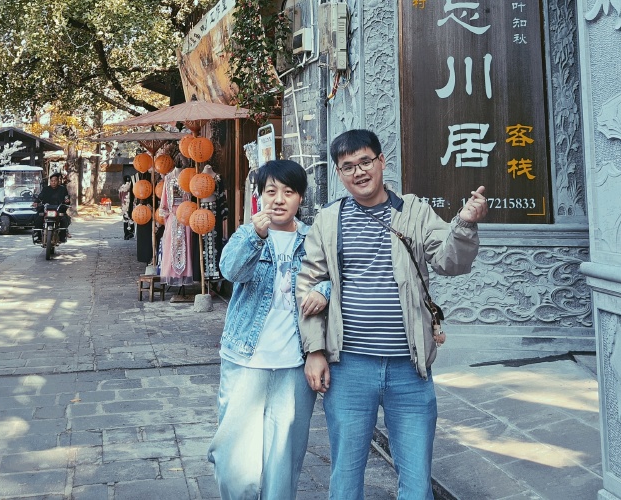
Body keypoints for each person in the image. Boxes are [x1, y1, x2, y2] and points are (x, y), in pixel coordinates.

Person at [296, 129, 488, 500]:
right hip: (349, 366)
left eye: (365, 161)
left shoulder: (413, 211)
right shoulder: (329, 219)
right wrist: (314, 350)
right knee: (345, 477)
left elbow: (450, 261)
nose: (359, 172)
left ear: (381, 162)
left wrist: (464, 224)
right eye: (348, 166)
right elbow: (309, 283)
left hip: (409, 369)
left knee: (416, 482)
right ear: (339, 173)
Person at [208, 159, 331, 500]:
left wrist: (324, 290)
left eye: (288, 192)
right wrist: (255, 236)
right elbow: (230, 271)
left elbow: (335, 278)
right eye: (271, 191)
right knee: (235, 467)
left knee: (283, 466)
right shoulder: (247, 234)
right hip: (245, 361)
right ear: (260, 195)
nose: (278, 199)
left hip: (294, 366)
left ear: (300, 198)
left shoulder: (313, 239)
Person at [35, 172, 71, 242]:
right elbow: (40, 197)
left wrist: (67, 201)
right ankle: (38, 235)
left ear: (58, 181)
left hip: (58, 209)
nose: (53, 182)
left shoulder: (63, 189)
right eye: (52, 181)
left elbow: (66, 198)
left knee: (64, 219)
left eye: (55, 181)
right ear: (50, 181)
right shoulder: (46, 189)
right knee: (38, 217)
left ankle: (62, 236)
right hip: (46, 208)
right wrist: (36, 202)